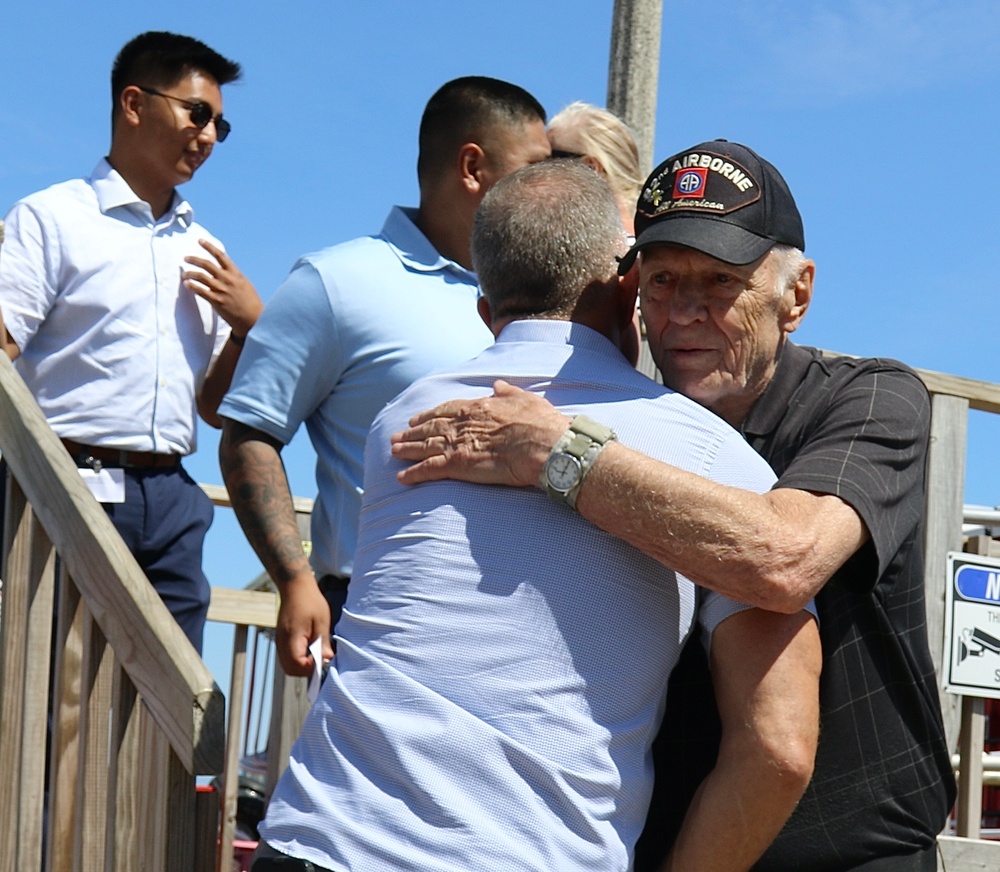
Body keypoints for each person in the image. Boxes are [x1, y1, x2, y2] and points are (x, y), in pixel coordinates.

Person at [390, 140, 957, 871]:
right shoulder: (629, 424)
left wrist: (556, 454)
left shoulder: (872, 398)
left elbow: (785, 558)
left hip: (852, 855)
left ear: (798, 293)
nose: (685, 313)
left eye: (721, 282)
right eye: (661, 281)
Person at [252, 160, 820, 872]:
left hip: (315, 835)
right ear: (626, 287)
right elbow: (778, 748)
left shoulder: (406, 421)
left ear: (486, 313)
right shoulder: (717, 460)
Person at [218, 76, 551, 677]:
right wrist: (294, 581)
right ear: (472, 166)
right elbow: (251, 434)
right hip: (374, 619)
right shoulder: (335, 283)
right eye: (532, 169)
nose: (544, 189)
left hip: (515, 627)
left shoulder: (540, 298)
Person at [0, 31, 261, 652]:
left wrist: (251, 330)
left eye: (219, 127)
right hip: (65, 480)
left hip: (172, 498)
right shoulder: (50, 218)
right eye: (198, 113)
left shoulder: (205, 248)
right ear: (134, 104)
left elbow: (213, 408)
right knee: (50, 677)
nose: (207, 136)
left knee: (174, 692)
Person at [546, 101, 644, 234]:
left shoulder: (585, 246)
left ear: (591, 168)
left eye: (549, 159)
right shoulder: (648, 247)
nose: (536, 170)